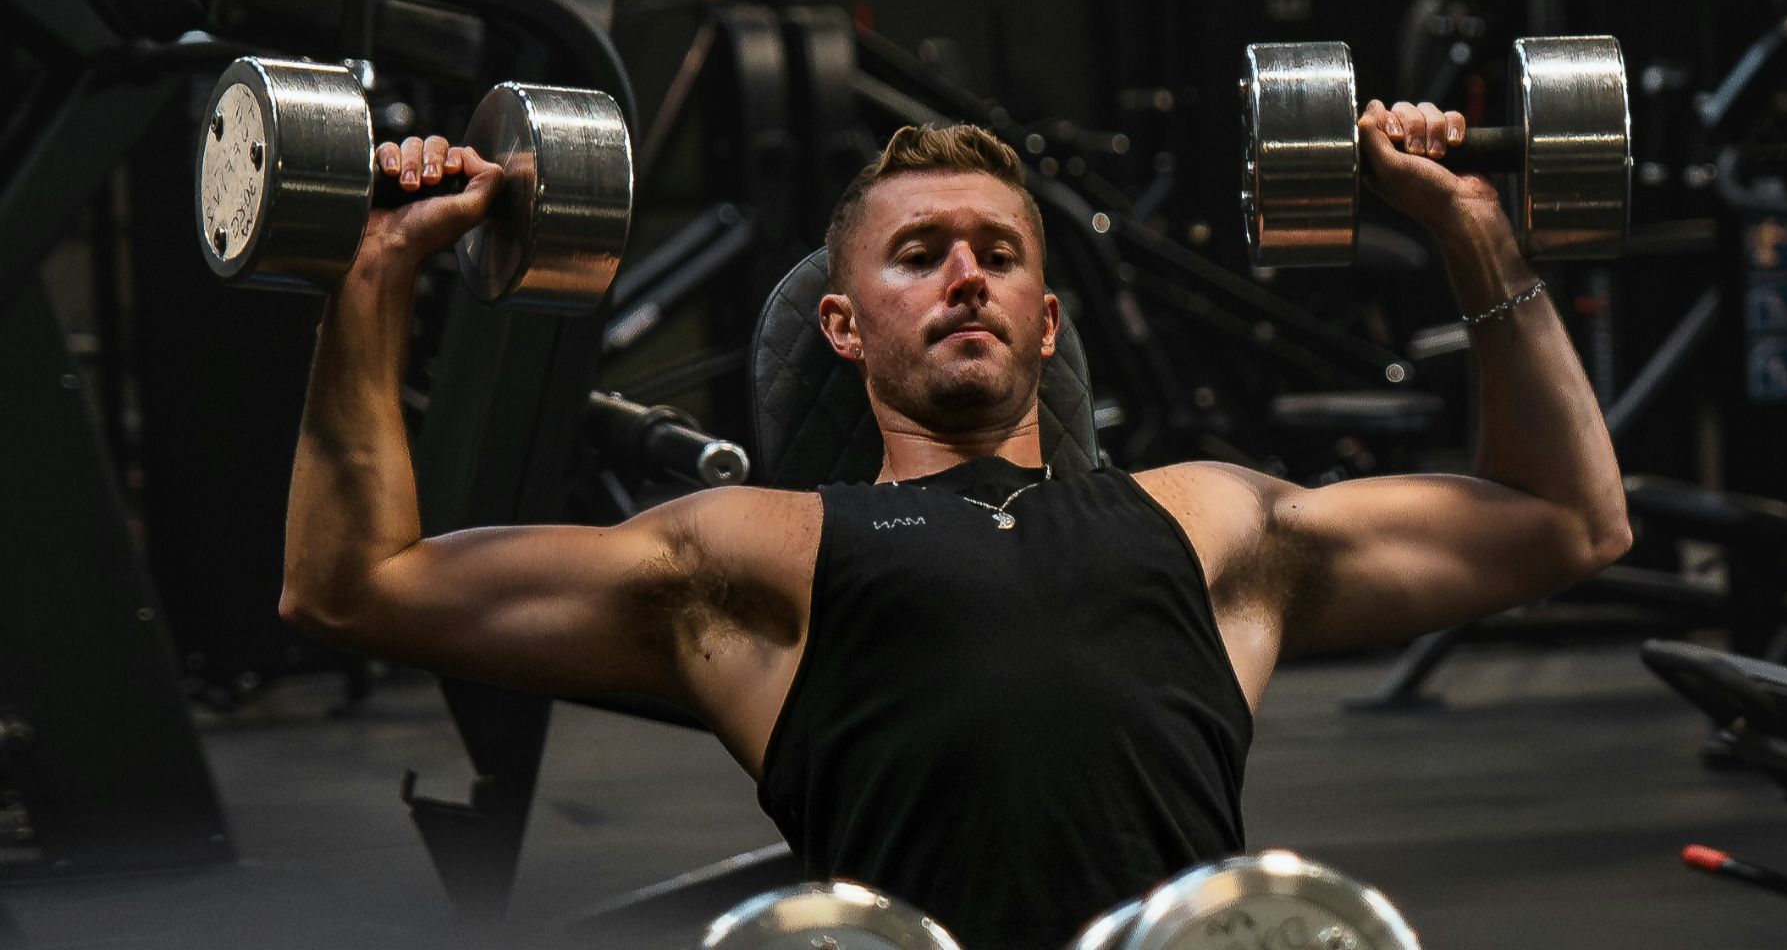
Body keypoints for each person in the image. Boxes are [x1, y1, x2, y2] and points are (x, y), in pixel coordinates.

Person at [280, 100, 1630, 947]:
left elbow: (1567, 519)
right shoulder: (759, 555)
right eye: (919, 255)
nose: (966, 276)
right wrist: (379, 271)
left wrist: (1468, 227)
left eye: (998, 253)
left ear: (1048, 323)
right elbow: (357, 586)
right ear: (845, 325)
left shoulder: (1209, 524)